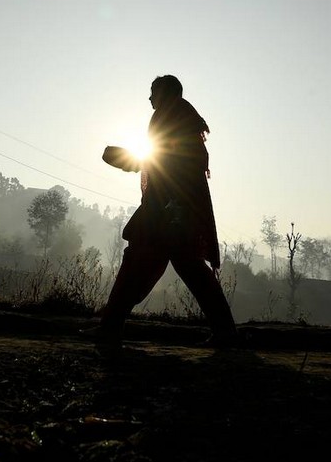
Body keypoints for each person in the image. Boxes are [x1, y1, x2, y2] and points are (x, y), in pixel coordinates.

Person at [90, 75, 238, 347]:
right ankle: (226, 332)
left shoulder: (170, 118)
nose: (149, 99)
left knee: (138, 265)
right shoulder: (182, 118)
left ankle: (110, 328)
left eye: (153, 92)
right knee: (184, 269)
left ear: (166, 93)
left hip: (166, 214)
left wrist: (121, 157)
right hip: (176, 213)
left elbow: (162, 162)